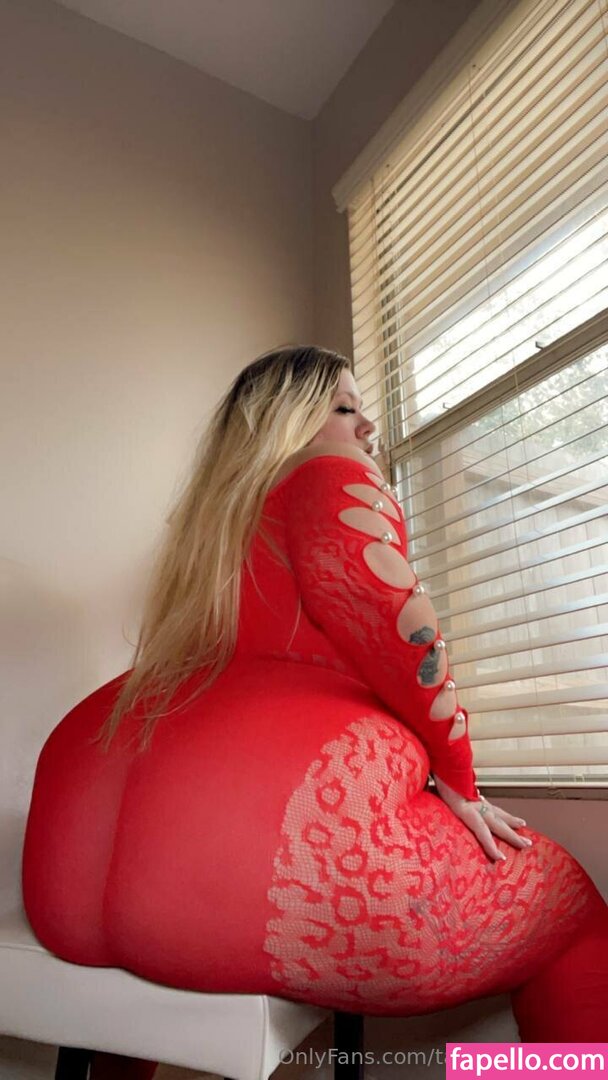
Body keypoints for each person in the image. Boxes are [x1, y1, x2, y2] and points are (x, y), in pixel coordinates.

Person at [22, 346, 608, 1079]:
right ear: (285, 424)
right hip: (260, 863)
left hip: (66, 880)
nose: (367, 430)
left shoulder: (210, 543)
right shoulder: (326, 473)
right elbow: (403, 632)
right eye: (344, 408)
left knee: (140, 981)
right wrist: (460, 781)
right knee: (576, 915)